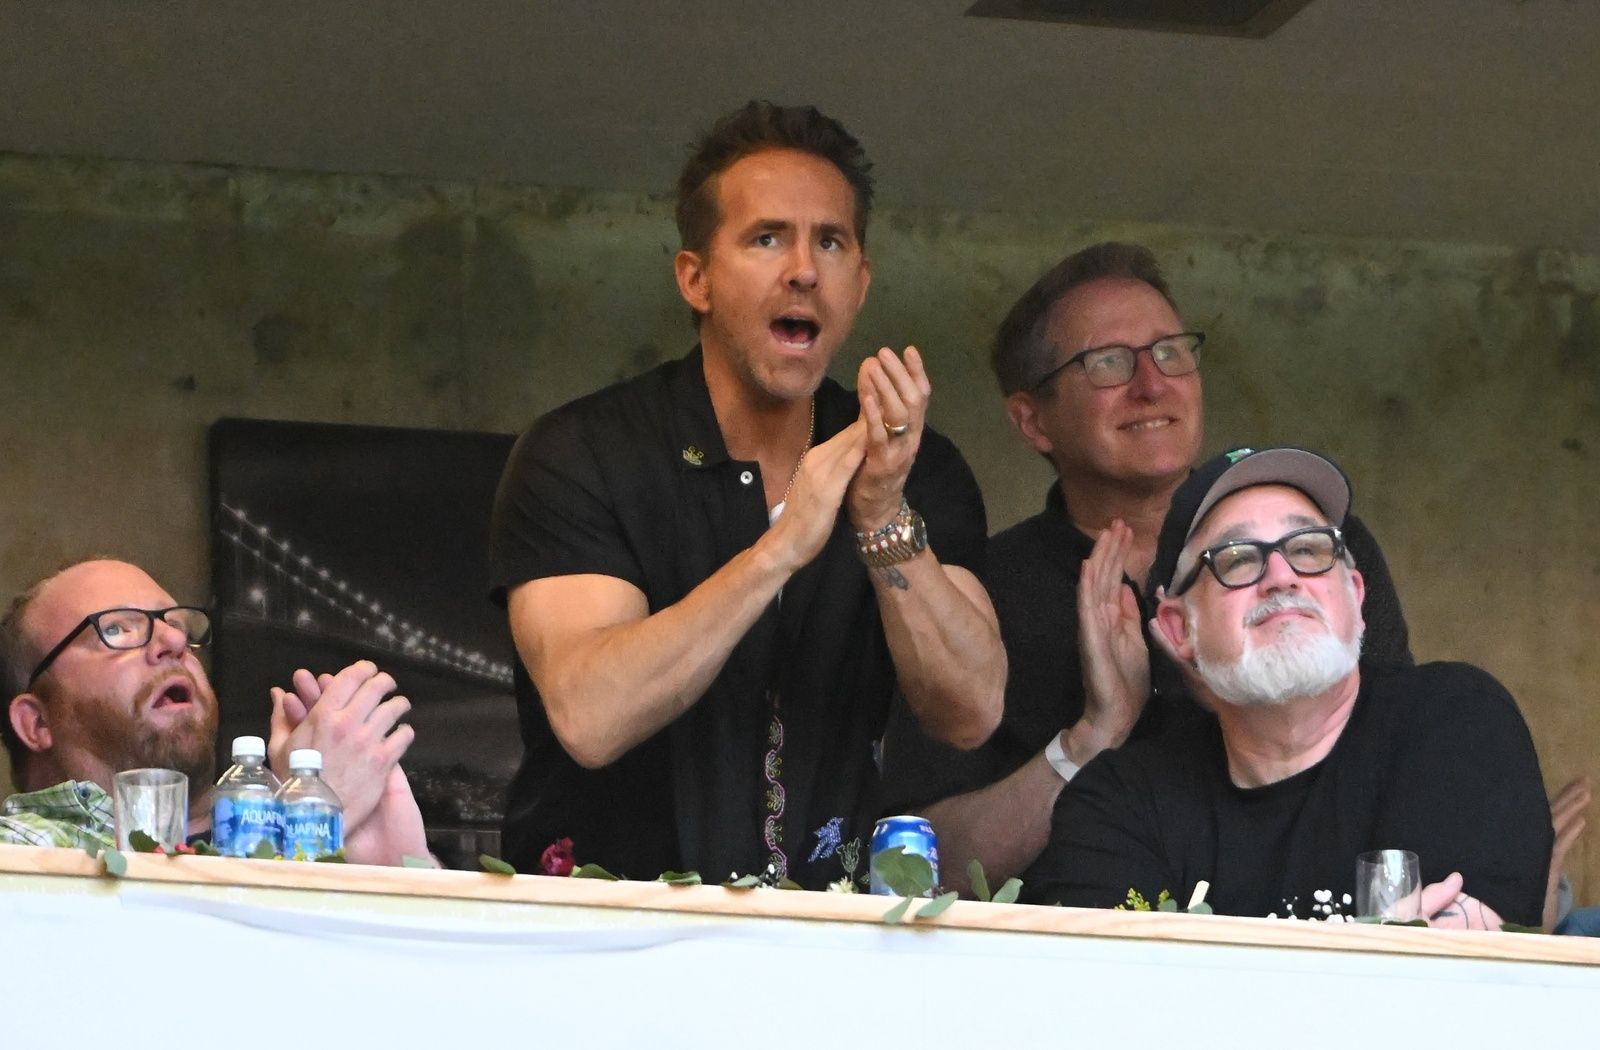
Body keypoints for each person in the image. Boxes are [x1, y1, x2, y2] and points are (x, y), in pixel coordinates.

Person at [489, 100, 1004, 887]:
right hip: (603, 939)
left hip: (826, 944)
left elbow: (971, 709)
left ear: (859, 283)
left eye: (829, 241)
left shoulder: (912, 468)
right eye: (767, 238)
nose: (803, 269)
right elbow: (590, 716)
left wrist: (881, 516)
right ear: (694, 277)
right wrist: (778, 552)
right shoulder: (583, 452)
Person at [880, 242, 1413, 891]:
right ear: (1033, 421)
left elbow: (1396, 766)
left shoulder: (1314, 549)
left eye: (1171, 351)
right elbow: (916, 869)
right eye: (1107, 363)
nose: (1152, 384)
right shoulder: (982, 587)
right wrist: (1091, 739)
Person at [1025, 446, 1551, 927]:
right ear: (1178, 630)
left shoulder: (1454, 720)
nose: (1282, 576)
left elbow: (1454, 1001)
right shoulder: (1119, 803)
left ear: (1356, 595)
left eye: (1309, 548)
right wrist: (1381, 961)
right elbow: (1117, 1012)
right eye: (1237, 559)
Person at [0, 558, 429, 866]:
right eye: (115, 629)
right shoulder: (20, 849)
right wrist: (301, 830)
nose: (173, 641)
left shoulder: (249, 820)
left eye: (179, 627)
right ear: (36, 723)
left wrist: (405, 873)